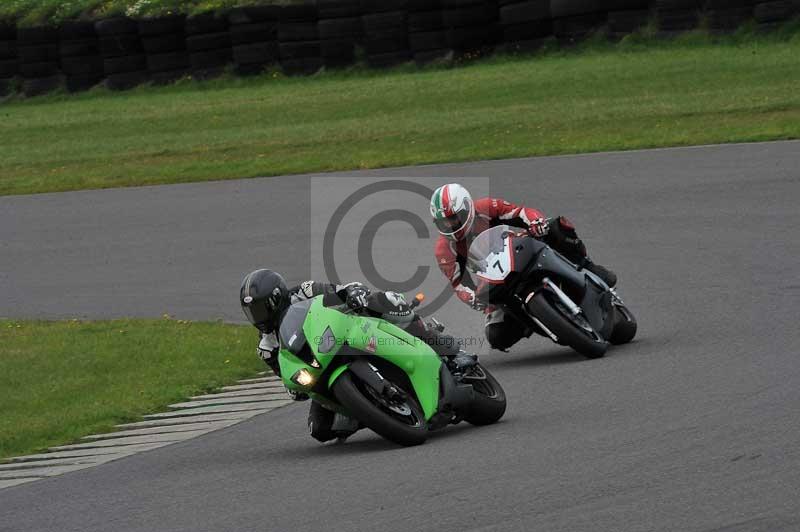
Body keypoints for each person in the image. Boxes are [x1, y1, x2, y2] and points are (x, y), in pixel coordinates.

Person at [239, 269, 476, 443]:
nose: (257, 317)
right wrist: (294, 387)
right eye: (251, 312)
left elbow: (337, 291)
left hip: (347, 330)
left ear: (276, 298)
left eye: (260, 309)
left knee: (383, 302)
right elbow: (284, 372)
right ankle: (367, 411)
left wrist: (352, 292)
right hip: (319, 365)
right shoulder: (266, 346)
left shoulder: (303, 292)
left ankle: (450, 352)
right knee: (319, 430)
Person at [430, 183, 617, 351]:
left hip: (517, 249)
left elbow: (519, 212)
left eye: (453, 218)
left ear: (466, 208)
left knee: (555, 227)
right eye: (443, 222)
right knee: (496, 336)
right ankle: (529, 319)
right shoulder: (444, 250)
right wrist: (475, 298)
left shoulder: (485, 207)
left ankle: (588, 265)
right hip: (493, 277)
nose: (450, 225)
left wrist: (536, 222)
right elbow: (459, 284)